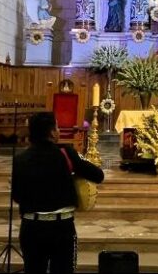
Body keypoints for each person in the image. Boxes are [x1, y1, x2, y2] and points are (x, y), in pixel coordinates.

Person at [13, 112, 104, 273]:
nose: (59, 131)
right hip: (61, 227)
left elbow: (17, 196)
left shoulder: (20, 159)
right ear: (52, 132)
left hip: (32, 227)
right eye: (57, 127)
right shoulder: (66, 153)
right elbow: (98, 175)